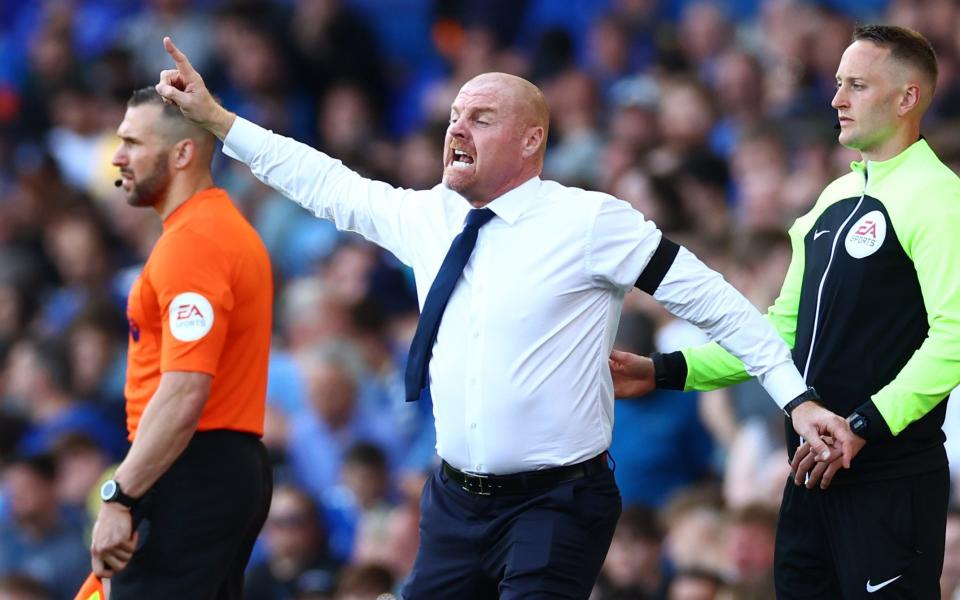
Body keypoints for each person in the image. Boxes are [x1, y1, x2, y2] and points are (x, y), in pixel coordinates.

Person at [155, 37, 857, 599]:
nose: (457, 127)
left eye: (481, 118)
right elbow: (326, 184)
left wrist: (794, 399)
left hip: (557, 501)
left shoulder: (590, 222)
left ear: (531, 142)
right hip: (453, 501)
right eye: (455, 115)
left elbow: (718, 304)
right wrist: (220, 121)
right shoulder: (426, 216)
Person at [610, 25, 960, 599]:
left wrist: (864, 425)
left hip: (888, 476)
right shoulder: (831, 200)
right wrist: (665, 370)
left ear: (907, 98)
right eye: (839, 83)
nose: (836, 99)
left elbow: (955, 337)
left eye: (857, 85)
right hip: (808, 471)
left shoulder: (938, 199)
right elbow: (777, 336)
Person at [87, 87, 274, 598]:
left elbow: (186, 388)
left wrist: (120, 496)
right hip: (210, 465)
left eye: (131, 142)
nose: (117, 156)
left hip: (192, 467)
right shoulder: (209, 231)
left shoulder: (195, 244)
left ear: (183, 153)